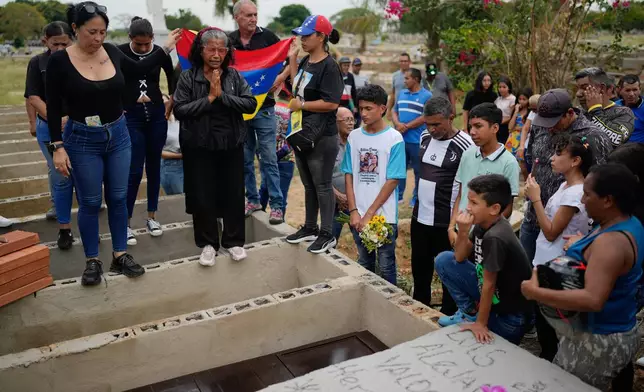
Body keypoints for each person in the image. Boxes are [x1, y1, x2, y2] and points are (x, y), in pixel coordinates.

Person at [46, 2, 181, 286]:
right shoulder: (60, 61)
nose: (98, 38)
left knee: (119, 197)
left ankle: (120, 255)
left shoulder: (112, 52)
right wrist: (57, 147)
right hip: (82, 139)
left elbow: (143, 66)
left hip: (118, 136)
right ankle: (92, 260)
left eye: (103, 32)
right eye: (91, 32)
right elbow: (55, 107)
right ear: (75, 29)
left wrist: (167, 49)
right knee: (91, 201)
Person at [521, 163, 644, 390]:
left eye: (587, 195)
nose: (583, 200)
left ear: (608, 200)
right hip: (615, 326)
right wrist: (582, 244)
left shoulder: (612, 244)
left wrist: (535, 292)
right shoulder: (627, 222)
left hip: (598, 339)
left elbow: (593, 299)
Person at [173, 27, 256, 266]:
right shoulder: (189, 77)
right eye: (212, 49)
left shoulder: (234, 77)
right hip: (199, 146)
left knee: (232, 192)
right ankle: (208, 244)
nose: (217, 54)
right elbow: (180, 110)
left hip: (231, 144)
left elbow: (250, 104)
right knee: (202, 195)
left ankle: (234, 242)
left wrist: (222, 97)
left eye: (222, 49)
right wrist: (209, 98)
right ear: (201, 50)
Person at [436, 174, 533, 345]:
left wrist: (480, 324)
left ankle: (478, 319)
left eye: (474, 203)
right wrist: (463, 232)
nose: (468, 208)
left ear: (494, 208)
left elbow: (489, 284)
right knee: (444, 260)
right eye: (469, 201)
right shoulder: (484, 224)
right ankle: (470, 312)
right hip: (495, 300)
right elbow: (459, 257)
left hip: (510, 320)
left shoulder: (496, 237)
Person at [521, 89, 612, 262]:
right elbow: (534, 157)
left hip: (565, 230)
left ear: (569, 113)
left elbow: (601, 182)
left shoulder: (592, 136)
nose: (549, 127)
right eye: (544, 122)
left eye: (554, 122)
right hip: (534, 216)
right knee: (528, 272)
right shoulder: (541, 125)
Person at [525, 134, 592, 361]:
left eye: (558, 154)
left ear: (575, 161)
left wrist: (536, 199)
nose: (552, 158)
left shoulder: (575, 193)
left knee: (552, 324)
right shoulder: (565, 185)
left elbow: (552, 231)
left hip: (556, 266)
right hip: (547, 261)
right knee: (544, 319)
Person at [284, 15, 344, 253]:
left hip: (322, 136)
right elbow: (298, 90)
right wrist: (292, 61)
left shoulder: (330, 67)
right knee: (309, 185)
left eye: (307, 36)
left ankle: (327, 233)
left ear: (321, 37)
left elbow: (332, 103)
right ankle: (310, 227)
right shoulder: (308, 61)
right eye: (301, 35)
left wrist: (303, 107)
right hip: (302, 132)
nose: (302, 39)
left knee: (322, 185)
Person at [411, 97, 473, 312]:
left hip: (446, 222)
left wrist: (455, 223)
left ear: (451, 118)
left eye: (437, 124)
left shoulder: (466, 144)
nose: (432, 128)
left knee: (447, 272)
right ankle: (419, 309)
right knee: (420, 269)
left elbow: (467, 185)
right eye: (428, 123)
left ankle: (449, 312)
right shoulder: (425, 136)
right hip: (420, 217)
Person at [118, 17, 176, 244]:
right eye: (138, 44)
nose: (143, 48)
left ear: (152, 38)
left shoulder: (160, 54)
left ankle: (152, 216)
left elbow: (171, 78)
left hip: (156, 115)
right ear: (130, 38)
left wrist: (170, 103)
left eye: (147, 44)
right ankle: (125, 222)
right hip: (131, 116)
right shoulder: (120, 52)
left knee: (154, 167)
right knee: (133, 171)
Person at [229, 0, 287, 224]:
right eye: (248, 15)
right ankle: (252, 200)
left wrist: (279, 79)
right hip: (239, 111)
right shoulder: (229, 41)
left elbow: (289, 62)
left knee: (269, 159)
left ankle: (277, 206)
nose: (253, 19)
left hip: (264, 109)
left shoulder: (269, 38)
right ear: (237, 18)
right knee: (244, 159)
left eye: (255, 14)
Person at [341, 84, 406, 285]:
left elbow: (393, 180)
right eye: (361, 109)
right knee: (363, 264)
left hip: (383, 217)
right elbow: (349, 175)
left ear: (382, 108)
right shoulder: (354, 137)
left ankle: (390, 308)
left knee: (387, 267)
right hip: (358, 216)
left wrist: (370, 214)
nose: (363, 113)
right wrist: (353, 210)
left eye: (369, 109)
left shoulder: (394, 139)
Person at [24, 21, 75, 249]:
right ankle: (64, 224)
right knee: (60, 174)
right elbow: (33, 96)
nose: (61, 48)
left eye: (66, 43)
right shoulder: (38, 63)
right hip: (49, 126)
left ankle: (87, 205)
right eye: (56, 44)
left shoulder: (79, 59)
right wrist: (52, 119)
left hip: (76, 124)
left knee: (83, 171)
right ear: (46, 40)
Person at [448, 103, 520, 249]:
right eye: (471, 127)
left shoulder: (509, 163)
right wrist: (451, 227)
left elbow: (507, 209)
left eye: (478, 126)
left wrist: (483, 234)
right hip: (461, 230)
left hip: (486, 238)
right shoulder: (468, 154)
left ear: (495, 128)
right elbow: (461, 194)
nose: (472, 132)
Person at [392, 68, 432, 206]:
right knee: (399, 169)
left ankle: (416, 198)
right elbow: (394, 110)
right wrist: (397, 124)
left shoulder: (427, 95)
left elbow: (426, 116)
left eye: (407, 78)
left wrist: (407, 126)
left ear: (415, 79)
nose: (404, 81)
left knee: (418, 171)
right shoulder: (402, 93)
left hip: (417, 141)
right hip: (400, 140)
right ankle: (399, 196)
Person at [575, 67, 634, 147]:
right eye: (577, 88)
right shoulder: (577, 112)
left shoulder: (623, 113)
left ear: (602, 88)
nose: (578, 94)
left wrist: (595, 109)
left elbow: (617, 139)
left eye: (585, 88)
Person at [259, 87, 295, 217]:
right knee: (282, 194)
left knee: (264, 188)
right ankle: (279, 219)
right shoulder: (294, 110)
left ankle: (258, 213)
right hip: (287, 157)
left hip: (268, 155)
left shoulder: (270, 107)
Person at [332, 107, 354, 241]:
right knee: (330, 239)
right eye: (347, 120)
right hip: (334, 203)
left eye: (352, 119)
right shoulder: (329, 145)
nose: (351, 123)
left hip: (355, 203)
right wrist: (338, 196)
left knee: (363, 240)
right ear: (336, 122)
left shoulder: (357, 144)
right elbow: (321, 178)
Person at [160, 94, 183, 195]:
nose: (165, 105)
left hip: (186, 164)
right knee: (179, 199)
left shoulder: (179, 120)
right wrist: (180, 155)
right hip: (171, 166)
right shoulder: (159, 125)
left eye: (167, 102)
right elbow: (159, 152)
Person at [517, 94, 540, 176]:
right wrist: (522, 145)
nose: (533, 111)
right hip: (529, 145)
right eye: (531, 109)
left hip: (540, 147)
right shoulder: (532, 113)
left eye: (535, 109)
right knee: (526, 169)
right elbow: (525, 128)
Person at [617, 74, 644, 143]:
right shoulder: (614, 106)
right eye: (628, 90)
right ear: (620, 90)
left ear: (640, 90)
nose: (631, 94)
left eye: (635, 90)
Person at [506, 87, 532, 157]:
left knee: (521, 163)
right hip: (513, 139)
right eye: (519, 99)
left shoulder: (531, 112)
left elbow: (528, 128)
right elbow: (510, 127)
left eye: (524, 99)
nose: (521, 101)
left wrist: (517, 128)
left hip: (524, 140)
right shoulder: (517, 111)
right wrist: (516, 111)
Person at [387, 52, 411, 119]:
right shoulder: (395, 75)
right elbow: (393, 94)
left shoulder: (415, 75)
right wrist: (389, 110)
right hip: (397, 110)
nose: (403, 63)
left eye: (405, 61)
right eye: (401, 61)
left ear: (409, 62)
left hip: (409, 109)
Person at [494, 76, 516, 145]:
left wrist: (500, 122)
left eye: (504, 87)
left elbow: (511, 116)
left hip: (507, 127)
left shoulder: (512, 99)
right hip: (497, 126)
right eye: (500, 87)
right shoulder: (498, 99)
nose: (501, 89)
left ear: (508, 88)